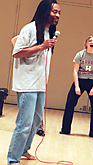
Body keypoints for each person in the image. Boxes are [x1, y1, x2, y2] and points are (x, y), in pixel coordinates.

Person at [7, 0, 61, 164]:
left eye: (59, 13)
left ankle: (24, 150)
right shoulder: (29, 29)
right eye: (54, 12)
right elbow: (16, 53)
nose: (57, 16)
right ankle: (12, 158)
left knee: (36, 121)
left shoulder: (48, 32)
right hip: (27, 85)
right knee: (24, 123)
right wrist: (41, 46)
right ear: (45, 11)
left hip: (40, 85)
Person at [60, 35, 93, 138]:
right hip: (80, 80)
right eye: (90, 40)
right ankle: (65, 129)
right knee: (70, 103)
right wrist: (77, 86)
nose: (92, 42)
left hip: (92, 82)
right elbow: (75, 70)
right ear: (86, 43)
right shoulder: (80, 55)